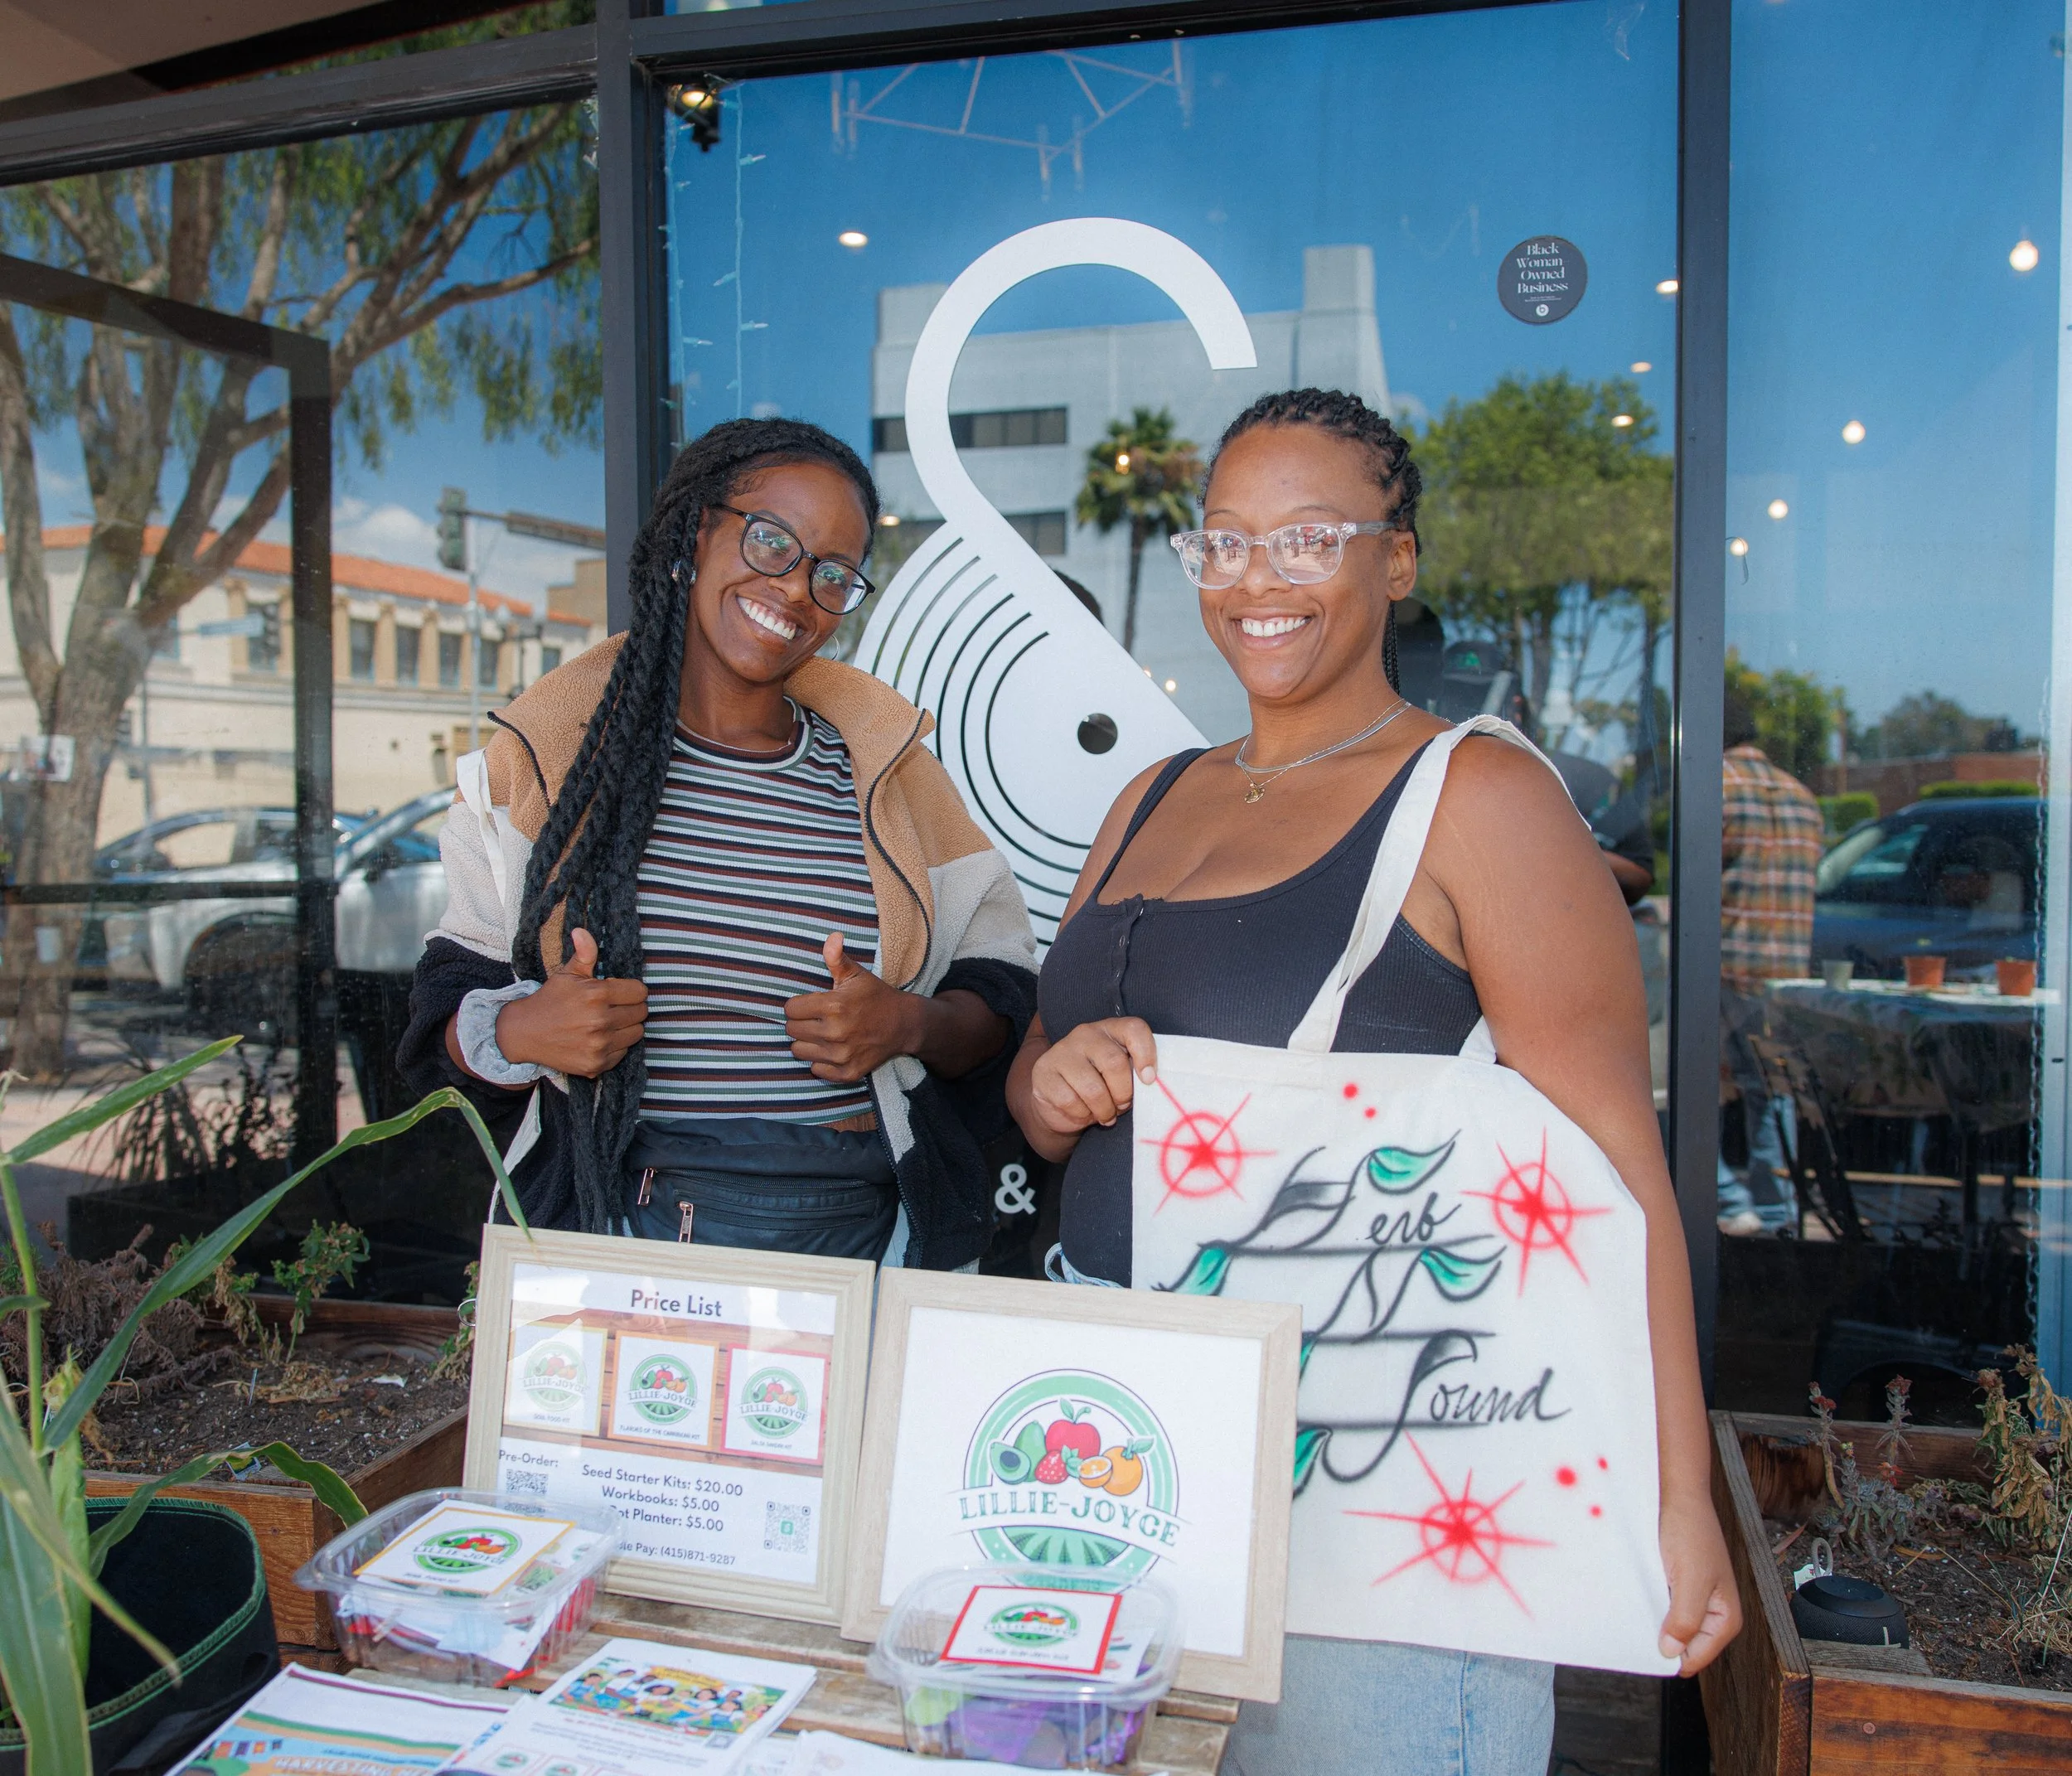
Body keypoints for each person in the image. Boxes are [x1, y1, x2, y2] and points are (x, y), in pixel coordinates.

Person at [1005, 389, 1738, 1774]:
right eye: (1224, 541)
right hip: (1118, 1439)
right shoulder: (1148, 796)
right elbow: (1051, 1085)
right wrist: (1048, 1089)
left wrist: (1677, 1486)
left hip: (1364, 1452)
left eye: (1307, 539)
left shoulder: (1484, 799)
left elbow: (1614, 1174)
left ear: (1395, 559)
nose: (1255, 581)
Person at [399, 417, 1038, 1265]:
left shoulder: (891, 775)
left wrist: (908, 1023)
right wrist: (522, 1030)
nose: (796, 589)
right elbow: (442, 1017)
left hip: (869, 1238)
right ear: (698, 530)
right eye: (772, 540)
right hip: (616, 1225)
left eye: (833, 573)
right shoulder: (551, 763)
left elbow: (1000, 1006)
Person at [1718, 683, 1823, 1236]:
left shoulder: (1717, 786)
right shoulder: (1801, 794)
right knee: (1773, 1089)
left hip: (1725, 960)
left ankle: (1728, 1197)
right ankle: (1776, 1205)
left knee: (1700, 1088)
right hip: (1787, 969)